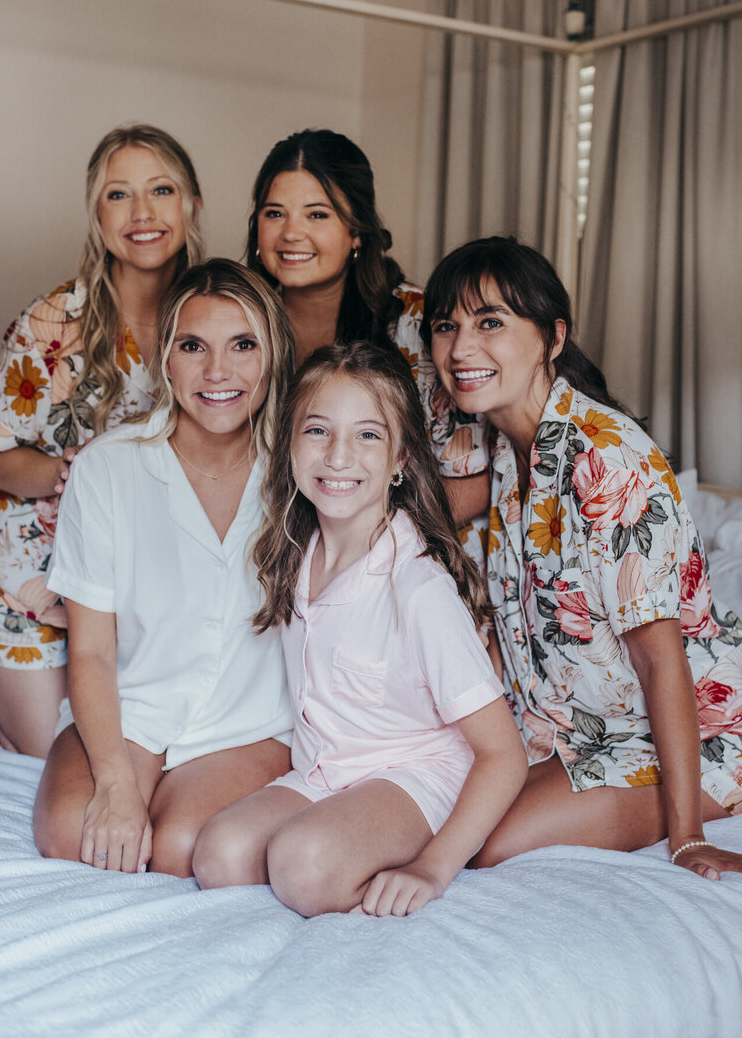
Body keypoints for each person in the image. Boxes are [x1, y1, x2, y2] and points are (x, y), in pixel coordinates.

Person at [422, 235, 742, 879]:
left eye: (491, 323)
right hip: (565, 725)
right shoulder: (499, 448)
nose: (462, 349)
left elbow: (660, 658)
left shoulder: (609, 459)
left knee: (492, 844)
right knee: (439, 804)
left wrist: (687, 837)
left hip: (691, 732)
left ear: (553, 337)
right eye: (446, 326)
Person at [192, 342, 527, 915]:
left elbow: (504, 754)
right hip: (326, 770)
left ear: (400, 459)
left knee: (303, 863)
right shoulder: (295, 555)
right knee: (218, 856)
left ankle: (369, 851)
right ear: (290, 448)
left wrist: (433, 866)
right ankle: (346, 844)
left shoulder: (418, 589)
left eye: (367, 436)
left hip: (416, 775)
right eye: (317, 431)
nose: (338, 456)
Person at [0, 124, 205, 757]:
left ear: (191, 204)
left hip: (129, 590)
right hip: (20, 578)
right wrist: (70, 475)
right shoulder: (56, 320)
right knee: (64, 753)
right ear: (97, 214)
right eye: (119, 195)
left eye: (161, 190)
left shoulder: (213, 316)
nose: (142, 214)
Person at [33, 259, 294, 878]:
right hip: (134, 707)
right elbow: (92, 651)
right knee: (74, 832)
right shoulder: (106, 469)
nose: (217, 371)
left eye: (243, 345)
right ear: (164, 358)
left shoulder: (303, 471)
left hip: (250, 720)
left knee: (180, 848)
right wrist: (118, 785)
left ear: (272, 356)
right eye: (193, 345)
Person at [246, 127, 489, 534]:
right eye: (275, 213)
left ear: (356, 230)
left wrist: (366, 542)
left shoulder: (421, 324)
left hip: (403, 554)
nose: (291, 232)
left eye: (317, 214)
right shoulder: (243, 325)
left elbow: (475, 479)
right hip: (271, 552)